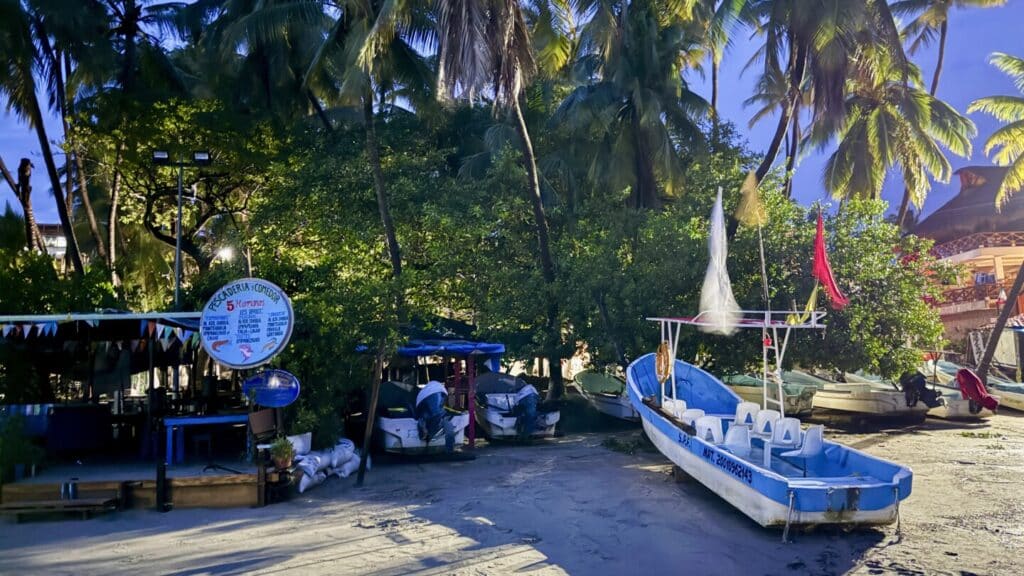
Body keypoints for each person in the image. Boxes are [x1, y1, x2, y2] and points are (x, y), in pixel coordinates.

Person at [415, 380, 456, 453]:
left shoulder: (430, 394)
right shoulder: (435, 394)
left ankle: (449, 450)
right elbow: (435, 410)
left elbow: (438, 409)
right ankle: (449, 450)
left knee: (448, 426)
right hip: (430, 417)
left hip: (432, 417)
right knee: (448, 426)